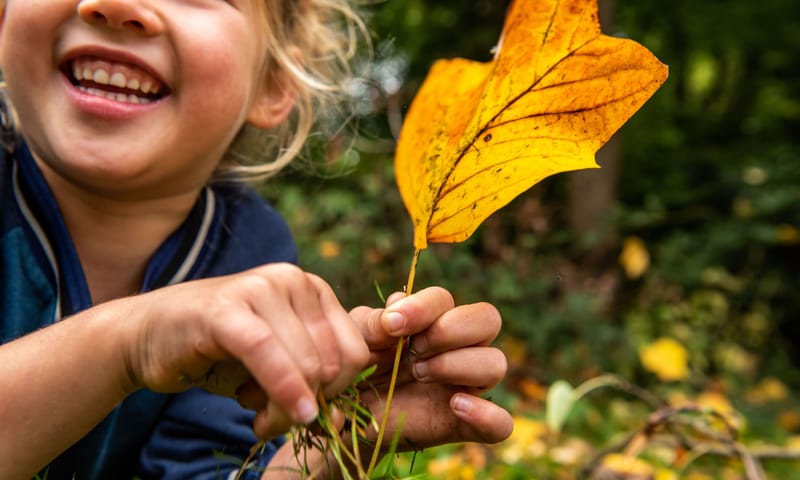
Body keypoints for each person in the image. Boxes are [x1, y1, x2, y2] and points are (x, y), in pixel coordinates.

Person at [0, 0, 514, 479]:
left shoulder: (250, 252)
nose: (116, 5)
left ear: (271, 85)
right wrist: (130, 341)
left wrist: (325, 442)